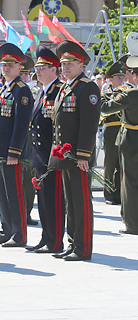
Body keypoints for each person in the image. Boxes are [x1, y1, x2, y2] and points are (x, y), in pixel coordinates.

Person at [50, 41, 101, 261]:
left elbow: (89, 124)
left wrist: (83, 155)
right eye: (63, 63)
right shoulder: (65, 87)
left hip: (78, 157)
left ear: (82, 64)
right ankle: (73, 243)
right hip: (65, 156)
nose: (65, 67)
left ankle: (83, 247)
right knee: (70, 202)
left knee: (81, 202)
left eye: (70, 63)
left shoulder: (87, 87)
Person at [0, 42, 33, 248]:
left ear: (19, 67)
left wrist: (14, 152)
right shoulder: (2, 90)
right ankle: (6, 229)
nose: (6, 68)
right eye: (4, 64)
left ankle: (19, 233)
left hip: (11, 154)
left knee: (15, 194)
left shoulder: (22, 91)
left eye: (11, 64)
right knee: (2, 194)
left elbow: (21, 126)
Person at [29, 47, 64, 253]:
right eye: (37, 67)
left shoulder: (58, 90)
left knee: (54, 201)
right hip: (40, 156)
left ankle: (55, 241)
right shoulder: (42, 91)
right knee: (43, 201)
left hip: (52, 157)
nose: (37, 71)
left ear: (54, 69)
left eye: (42, 67)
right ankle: (46, 236)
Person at [102, 53, 138, 234]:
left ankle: (132, 224)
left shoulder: (131, 94)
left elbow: (105, 108)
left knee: (129, 183)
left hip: (131, 142)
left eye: (131, 73)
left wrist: (98, 94)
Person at [99, 61, 126, 206]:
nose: (122, 80)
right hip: (111, 130)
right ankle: (108, 193)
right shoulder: (106, 94)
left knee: (123, 164)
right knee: (110, 164)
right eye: (118, 78)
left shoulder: (127, 93)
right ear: (111, 80)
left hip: (124, 129)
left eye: (123, 77)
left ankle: (120, 193)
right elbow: (104, 110)